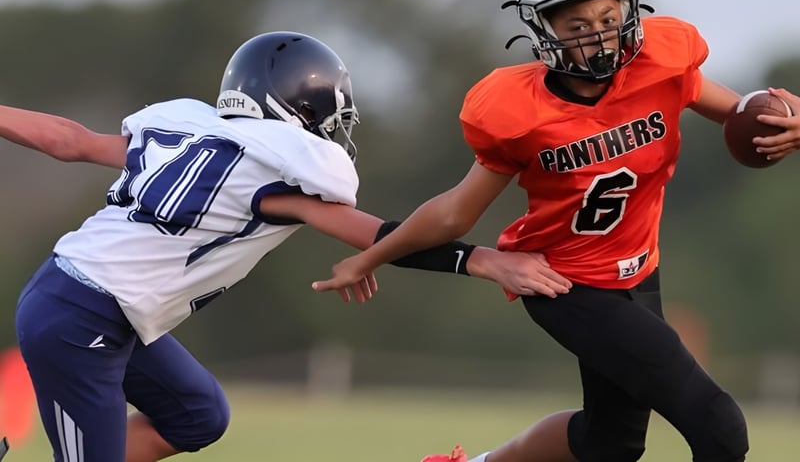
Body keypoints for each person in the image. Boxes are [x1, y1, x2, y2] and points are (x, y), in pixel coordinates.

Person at [312, 0, 800, 462]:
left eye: (608, 21)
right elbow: (454, 213)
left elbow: (739, 113)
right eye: (578, 26)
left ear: (628, 10)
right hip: (564, 283)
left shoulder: (663, 63)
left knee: (609, 444)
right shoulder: (520, 112)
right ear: (543, 27)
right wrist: (370, 257)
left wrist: (786, 122)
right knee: (719, 426)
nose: (599, 38)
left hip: (639, 272)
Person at [0, 31, 572, 462]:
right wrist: (484, 261)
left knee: (197, 415)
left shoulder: (188, 134)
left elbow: (69, 142)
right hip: (81, 321)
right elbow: (380, 233)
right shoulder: (270, 178)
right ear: (292, 109)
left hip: (85, 298)